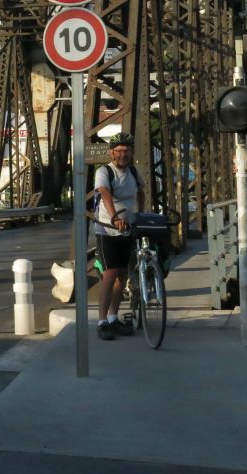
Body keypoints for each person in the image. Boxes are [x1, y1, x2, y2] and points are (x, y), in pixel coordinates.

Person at [93, 132, 145, 340]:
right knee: (110, 274)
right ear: (112, 153)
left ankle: (114, 318)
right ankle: (102, 321)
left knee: (122, 274)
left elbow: (141, 191)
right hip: (107, 228)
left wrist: (140, 214)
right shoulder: (104, 171)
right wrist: (114, 217)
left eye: (127, 150)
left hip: (128, 228)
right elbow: (104, 193)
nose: (124, 154)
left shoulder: (133, 171)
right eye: (120, 150)